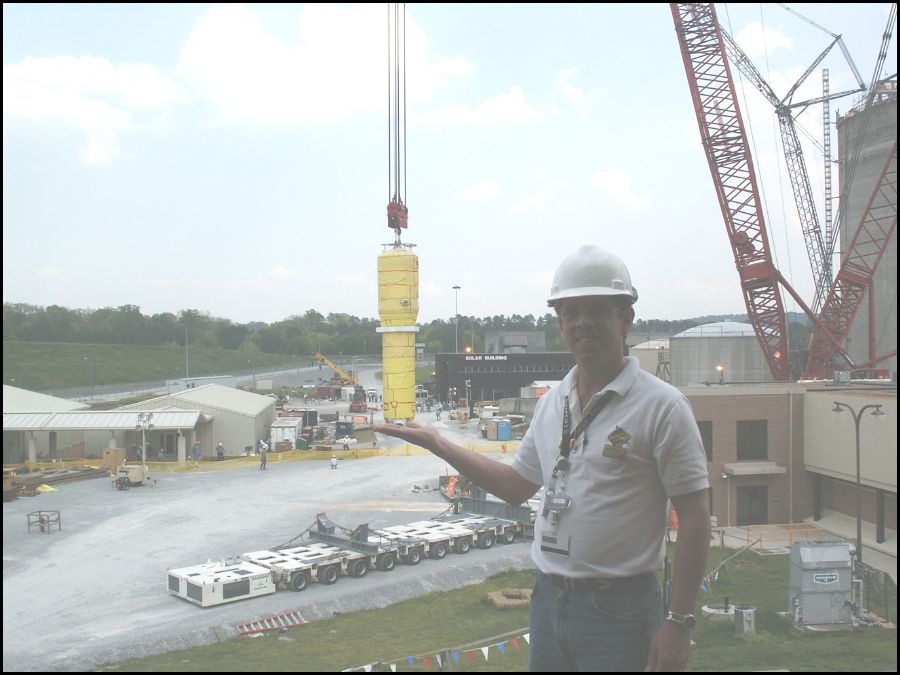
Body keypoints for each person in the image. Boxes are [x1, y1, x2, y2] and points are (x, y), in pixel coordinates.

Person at [374, 246, 709, 672]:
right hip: (548, 600)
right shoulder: (554, 402)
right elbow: (516, 487)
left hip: (620, 610)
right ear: (560, 323)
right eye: (570, 312)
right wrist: (439, 444)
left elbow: (696, 516)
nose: (582, 322)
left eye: (596, 310)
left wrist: (678, 622)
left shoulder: (661, 406)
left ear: (626, 318)